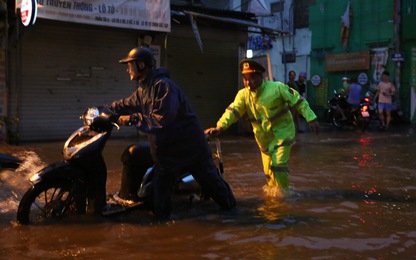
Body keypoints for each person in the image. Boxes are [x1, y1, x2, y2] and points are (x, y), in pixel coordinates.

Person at [104, 47, 236, 220]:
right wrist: (103, 110)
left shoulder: (164, 86)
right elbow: (124, 104)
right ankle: (162, 228)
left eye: (130, 65)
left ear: (141, 65)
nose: (127, 69)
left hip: (189, 149)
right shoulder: (144, 89)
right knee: (160, 195)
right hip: (168, 152)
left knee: (216, 189)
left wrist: (131, 119)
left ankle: (237, 216)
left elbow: (160, 121)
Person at [205, 59, 320, 194]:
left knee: (278, 165)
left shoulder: (277, 88)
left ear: (261, 76)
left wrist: (311, 118)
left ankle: (284, 195)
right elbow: (233, 111)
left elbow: (298, 101)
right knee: (268, 171)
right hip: (263, 139)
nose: (248, 82)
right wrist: (219, 127)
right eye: (245, 78)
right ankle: (273, 197)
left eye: (252, 77)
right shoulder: (243, 95)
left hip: (283, 134)